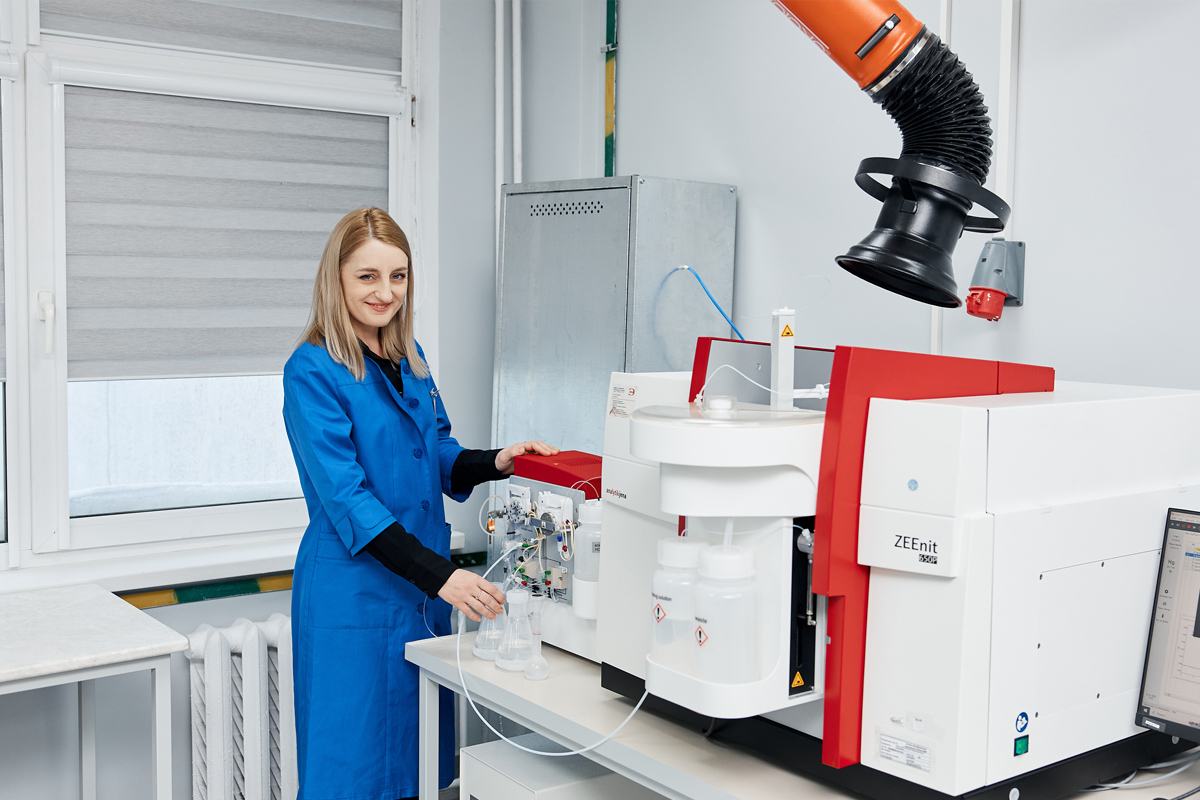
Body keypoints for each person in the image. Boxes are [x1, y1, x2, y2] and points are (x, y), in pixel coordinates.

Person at [282, 207, 558, 800]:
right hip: (354, 593)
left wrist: (497, 461)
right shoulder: (312, 369)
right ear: (336, 278)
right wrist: (444, 577)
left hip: (418, 593)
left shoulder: (409, 357)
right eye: (367, 276)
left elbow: (435, 451)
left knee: (417, 764)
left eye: (398, 276)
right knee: (350, 770)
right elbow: (349, 500)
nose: (386, 293)